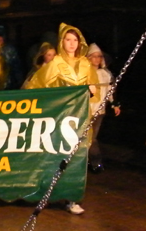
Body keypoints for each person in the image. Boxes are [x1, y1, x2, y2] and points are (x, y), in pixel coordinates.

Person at [24, 23, 100, 214]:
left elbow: (95, 90)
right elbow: (36, 87)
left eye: (75, 40)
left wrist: (92, 91)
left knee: (76, 159)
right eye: (68, 40)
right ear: (62, 42)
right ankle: (45, 195)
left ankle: (72, 198)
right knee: (54, 157)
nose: (72, 43)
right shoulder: (55, 63)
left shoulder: (85, 64)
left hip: (80, 119)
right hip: (59, 120)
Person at [86, 43, 121, 173]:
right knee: (86, 138)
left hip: (99, 111)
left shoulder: (106, 74)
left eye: (98, 56)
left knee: (92, 138)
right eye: (93, 56)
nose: (96, 59)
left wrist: (114, 104)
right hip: (86, 110)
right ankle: (92, 162)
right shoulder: (85, 72)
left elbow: (110, 90)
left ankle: (95, 162)